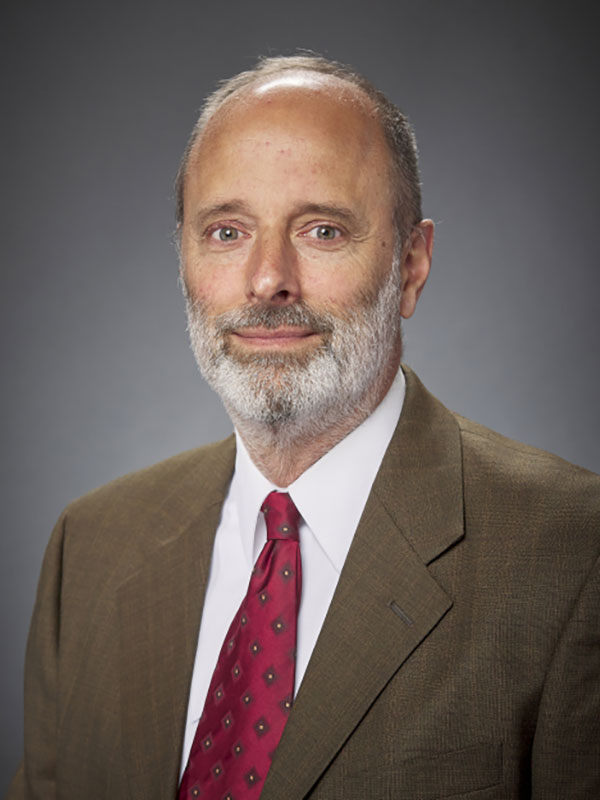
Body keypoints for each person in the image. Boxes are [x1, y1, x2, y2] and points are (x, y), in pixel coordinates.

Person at [6, 55, 600, 800]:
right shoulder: (90, 547)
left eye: (322, 230)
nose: (267, 280)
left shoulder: (574, 554)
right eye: (227, 231)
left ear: (411, 265)